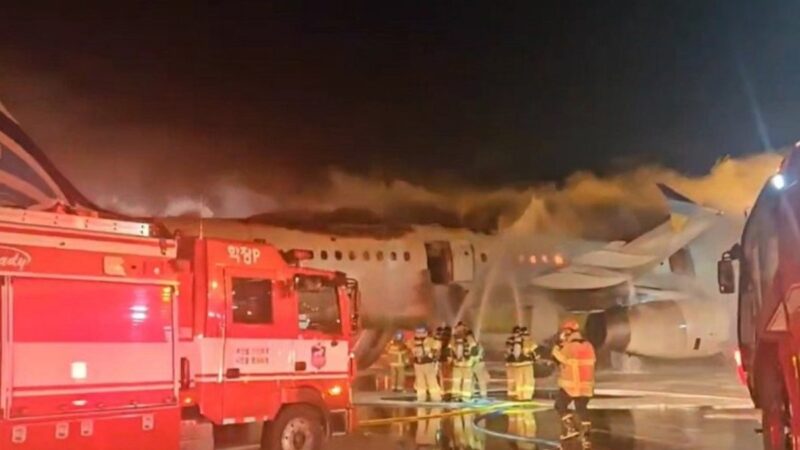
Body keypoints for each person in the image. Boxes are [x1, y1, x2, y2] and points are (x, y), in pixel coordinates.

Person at [552, 319, 596, 446]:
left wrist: (557, 345)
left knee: (560, 405)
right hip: (587, 386)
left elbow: (558, 358)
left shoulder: (569, 346)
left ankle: (570, 428)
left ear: (568, 332)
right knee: (581, 408)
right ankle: (586, 434)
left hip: (571, 385)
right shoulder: (589, 346)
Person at [413, 325, 443, 402]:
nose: (419, 334)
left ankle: (436, 398)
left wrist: (432, 354)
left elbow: (437, 346)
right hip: (418, 364)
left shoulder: (430, 340)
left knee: (432, 381)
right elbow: (410, 350)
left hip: (428, 364)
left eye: (421, 332)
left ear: (425, 333)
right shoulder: (413, 341)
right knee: (420, 383)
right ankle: (421, 398)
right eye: (418, 332)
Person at [450, 327, 475, 401]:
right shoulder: (469, 339)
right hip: (465, 365)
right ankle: (464, 397)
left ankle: (457, 397)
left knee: (458, 382)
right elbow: (474, 349)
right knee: (465, 382)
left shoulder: (454, 339)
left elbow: (450, 349)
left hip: (459, 365)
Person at [467, 331, 490, 400]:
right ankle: (472, 392)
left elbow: (474, 356)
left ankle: (483, 394)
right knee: (472, 380)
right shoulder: (476, 344)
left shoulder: (474, 345)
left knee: (480, 380)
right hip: (477, 363)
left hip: (477, 364)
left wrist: (469, 363)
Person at [518, 327, 538, 400]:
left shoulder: (517, 342)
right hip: (526, 364)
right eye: (526, 334)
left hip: (519, 365)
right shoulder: (526, 343)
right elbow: (533, 348)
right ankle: (526, 397)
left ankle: (520, 397)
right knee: (528, 381)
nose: (527, 336)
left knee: (520, 381)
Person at [505, 326, 522, 399]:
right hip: (513, 362)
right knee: (513, 378)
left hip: (512, 362)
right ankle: (513, 393)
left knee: (513, 378)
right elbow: (508, 350)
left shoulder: (511, 340)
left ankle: (513, 393)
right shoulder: (519, 340)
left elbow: (508, 350)